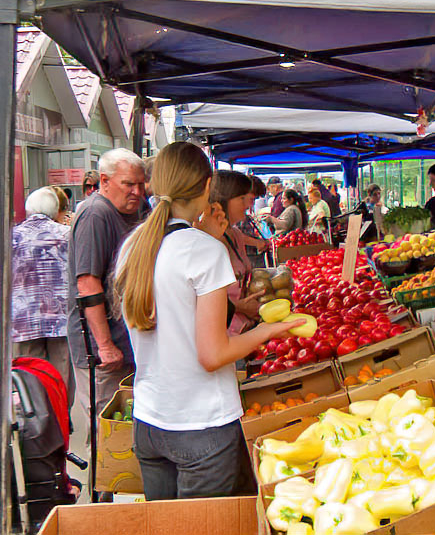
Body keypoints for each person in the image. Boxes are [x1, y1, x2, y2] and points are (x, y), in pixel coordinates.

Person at [114, 142, 302, 500]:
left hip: (150, 421)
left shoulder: (134, 245)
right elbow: (213, 354)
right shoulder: (204, 250)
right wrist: (266, 330)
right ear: (205, 187)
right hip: (201, 425)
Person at [67, 148, 145, 448]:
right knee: (109, 430)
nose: (136, 191)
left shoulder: (132, 210)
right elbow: (87, 283)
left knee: (125, 425)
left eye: (140, 184)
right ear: (105, 180)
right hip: (102, 350)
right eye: (129, 184)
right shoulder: (95, 214)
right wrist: (105, 345)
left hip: (125, 340)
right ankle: (102, 492)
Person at [12, 187, 75, 407]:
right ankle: (61, 419)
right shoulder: (66, 235)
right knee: (61, 374)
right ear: (55, 209)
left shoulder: (12, 237)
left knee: (30, 375)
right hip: (60, 318)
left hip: (24, 320)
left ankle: (36, 420)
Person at [210, 171, 267, 335]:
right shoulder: (210, 242)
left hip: (242, 329)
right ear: (224, 199)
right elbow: (201, 301)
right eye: (242, 198)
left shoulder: (234, 234)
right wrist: (241, 306)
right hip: (222, 334)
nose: (248, 205)